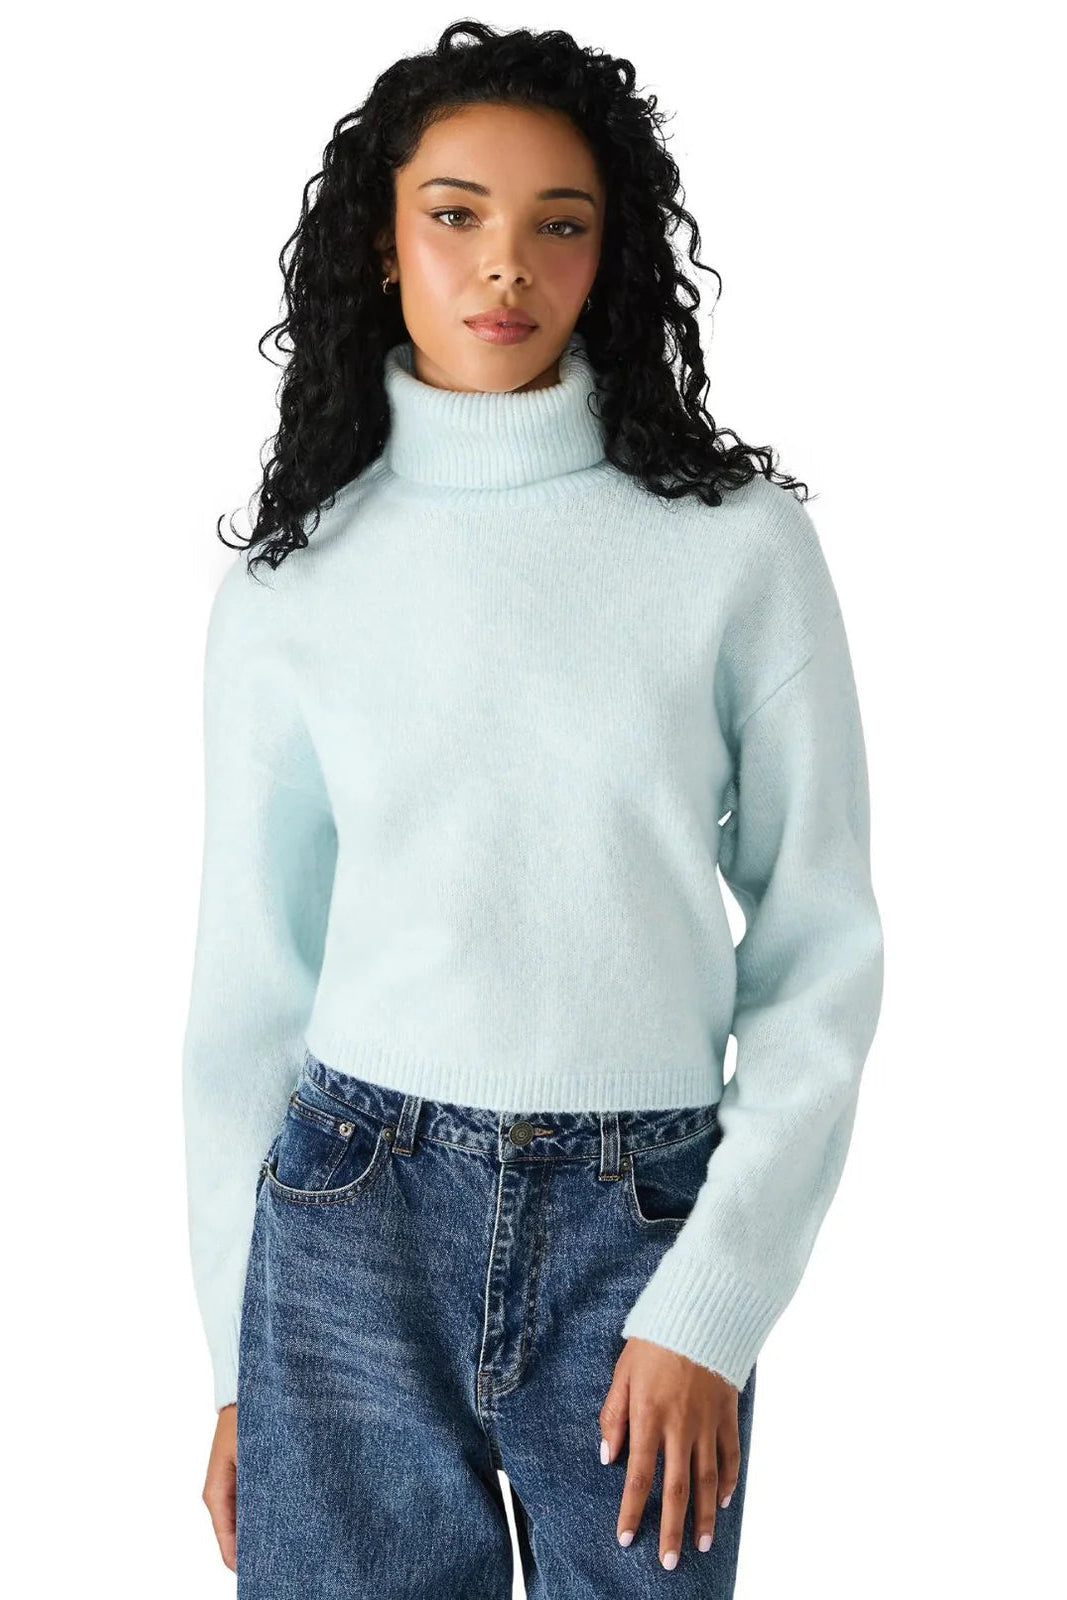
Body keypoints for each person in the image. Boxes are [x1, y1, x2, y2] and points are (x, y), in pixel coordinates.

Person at [181, 20, 884, 1597]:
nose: (506, 264)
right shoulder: (298, 583)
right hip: (345, 1233)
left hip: (640, 1228)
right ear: (383, 239)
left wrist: (712, 1306)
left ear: (610, 253)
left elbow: (822, 947)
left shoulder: (735, 548)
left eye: (560, 223)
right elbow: (248, 993)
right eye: (457, 214)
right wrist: (236, 1355)